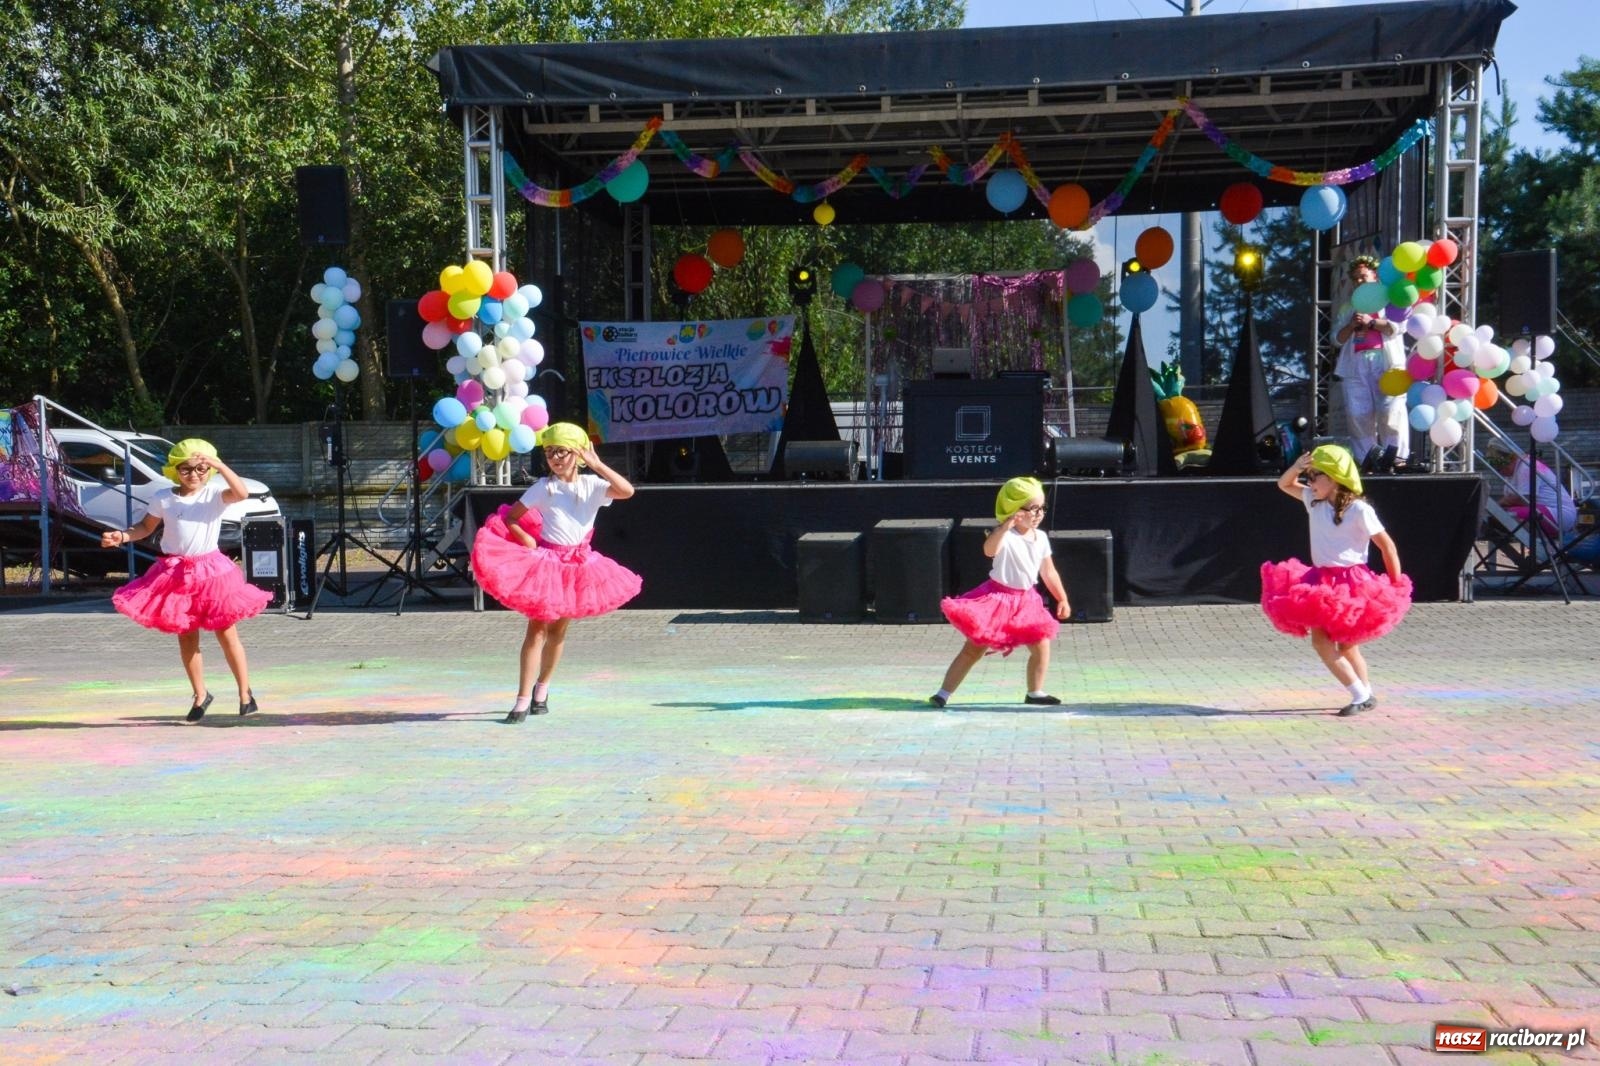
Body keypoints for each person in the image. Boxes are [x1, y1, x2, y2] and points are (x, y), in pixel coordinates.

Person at [470, 422, 641, 723]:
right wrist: (523, 536)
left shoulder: (592, 486)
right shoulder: (544, 488)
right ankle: (522, 700)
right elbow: (511, 517)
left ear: (577, 453)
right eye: (550, 452)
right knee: (536, 630)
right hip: (548, 563)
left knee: (559, 632)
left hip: (578, 567)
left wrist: (597, 464)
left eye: (561, 451)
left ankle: (542, 689)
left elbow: (627, 490)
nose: (555, 458)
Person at [101, 439, 270, 721]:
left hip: (213, 573)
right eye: (187, 469)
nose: (194, 475)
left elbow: (241, 493)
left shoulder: (214, 495)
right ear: (174, 470)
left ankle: (245, 694)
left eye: (201, 469)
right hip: (175, 575)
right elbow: (145, 527)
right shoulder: (164, 497)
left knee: (226, 634)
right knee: (186, 637)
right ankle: (200, 695)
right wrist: (122, 536)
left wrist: (218, 465)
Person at [1260, 444, 1412, 716]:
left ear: (1332, 478)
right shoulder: (1313, 501)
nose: (1309, 481)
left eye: (1315, 475)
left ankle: (1361, 694)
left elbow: (1387, 547)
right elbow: (1284, 484)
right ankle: (1364, 694)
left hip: (1351, 582)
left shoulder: (1359, 510)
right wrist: (1297, 466)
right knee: (1330, 641)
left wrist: (1395, 583)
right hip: (1321, 580)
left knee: (1342, 644)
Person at [929, 476, 1071, 709]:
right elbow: (989, 550)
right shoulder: (1006, 536)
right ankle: (943, 693)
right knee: (973, 650)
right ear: (1014, 510)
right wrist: (1005, 526)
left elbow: (1049, 571)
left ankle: (1035, 692)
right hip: (997, 599)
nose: (1038, 514)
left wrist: (1062, 598)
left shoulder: (1041, 538)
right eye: (1032, 508)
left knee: (1041, 645)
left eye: (1042, 508)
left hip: (1026, 602)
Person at [1332, 255, 1410, 471]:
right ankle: (1367, 459)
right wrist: (1350, 325)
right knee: (1358, 414)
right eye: (1355, 279)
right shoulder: (1349, 307)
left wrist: (1372, 322)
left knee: (1390, 412)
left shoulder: (1389, 299)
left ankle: (1397, 458)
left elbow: (1399, 326)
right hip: (1356, 366)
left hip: (1386, 363)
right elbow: (1336, 339)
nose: (1359, 282)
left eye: (1363, 277)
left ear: (1375, 276)